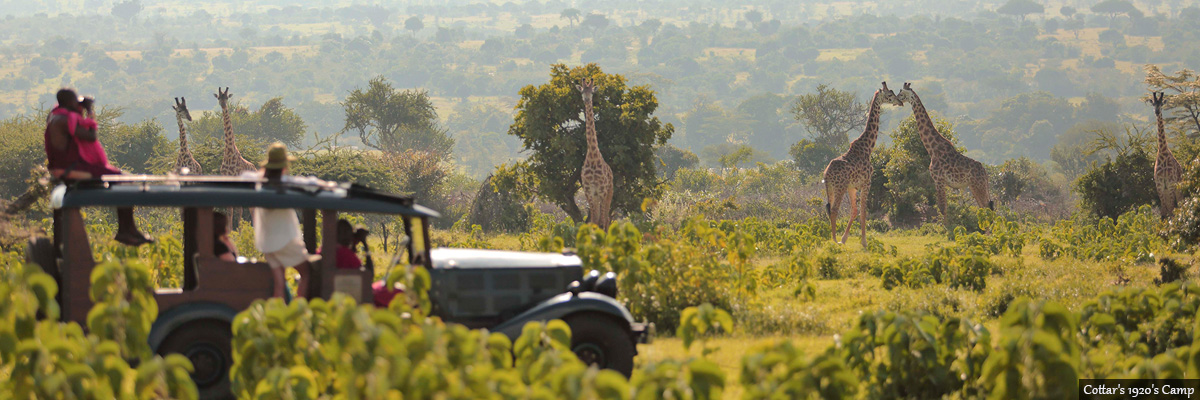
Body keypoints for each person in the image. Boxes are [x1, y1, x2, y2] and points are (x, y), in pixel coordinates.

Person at [44, 88, 152, 246]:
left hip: (64, 167)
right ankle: (125, 230)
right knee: (124, 180)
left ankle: (128, 229)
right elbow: (91, 135)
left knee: (122, 178)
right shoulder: (64, 120)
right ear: (69, 103)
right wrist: (89, 110)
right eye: (76, 101)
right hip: (71, 169)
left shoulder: (55, 116)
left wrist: (79, 109)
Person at [250, 143, 313, 299]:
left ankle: (277, 316)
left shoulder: (260, 183)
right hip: (285, 240)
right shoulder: (285, 184)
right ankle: (300, 311)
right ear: (284, 166)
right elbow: (309, 184)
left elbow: (245, 176)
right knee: (307, 273)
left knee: (279, 283)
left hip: (267, 243)